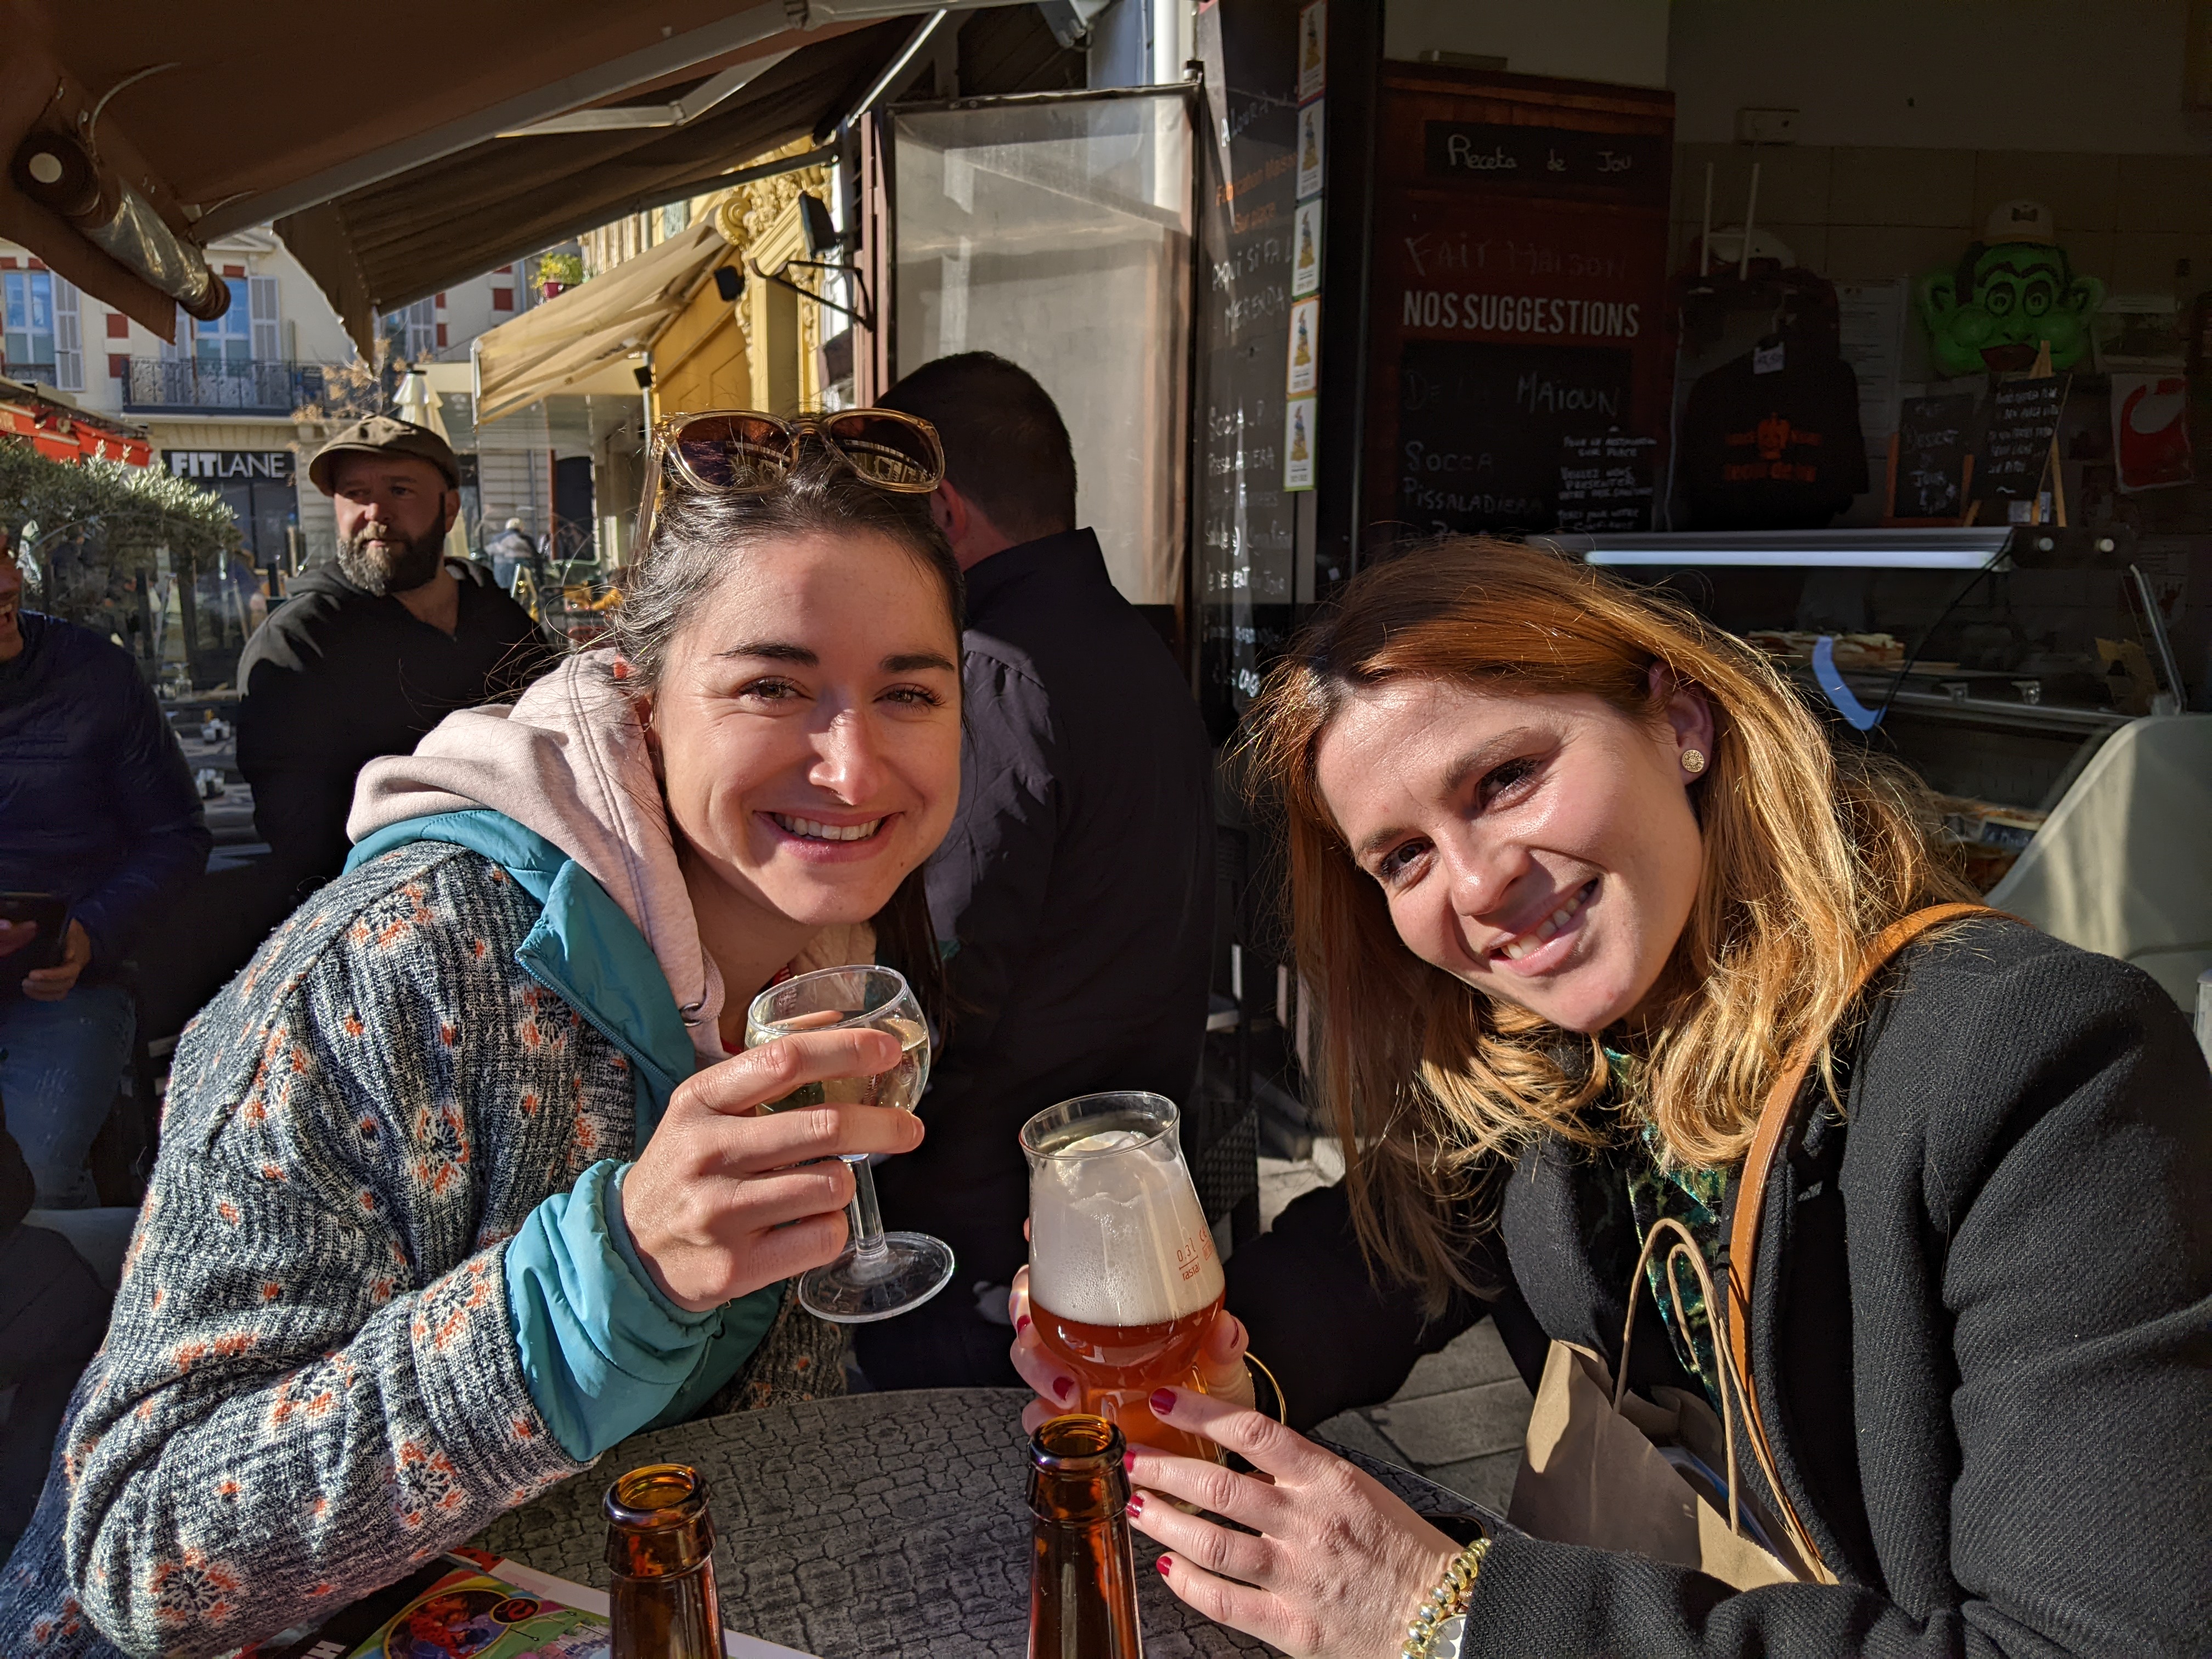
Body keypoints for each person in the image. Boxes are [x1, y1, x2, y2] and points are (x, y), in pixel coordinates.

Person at [1010, 538, 2212, 1656]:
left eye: (1506, 777)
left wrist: (1445, 1614)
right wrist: (1210, 1374)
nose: (1475, 884)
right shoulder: (1555, 1048)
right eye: (1404, 856)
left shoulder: (2041, 1063)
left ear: (1679, 719)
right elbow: (1390, 1252)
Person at [0, 424, 968, 1657]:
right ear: (639, 698)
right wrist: (610, 1281)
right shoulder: (400, 961)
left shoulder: (830, 968)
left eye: (908, 693)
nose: (853, 765)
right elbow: (147, 1552)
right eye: (773, 687)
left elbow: (738, 1436)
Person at [862, 352, 1215, 1390]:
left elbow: (946, 974)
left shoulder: (990, 665)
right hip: (1111, 1174)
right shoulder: (1132, 640)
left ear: (942, 510)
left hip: (989, 1226)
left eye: (883, 518)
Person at [236, 416, 556, 902]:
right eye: (356, 494)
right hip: (385, 907)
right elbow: (301, 837)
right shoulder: (298, 643)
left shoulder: (500, 616)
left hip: (540, 884)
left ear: (450, 509)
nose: (375, 512)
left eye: (399, 491)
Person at [0, 532, 210, 1207]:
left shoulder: (93, 674)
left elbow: (177, 838)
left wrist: (92, 932)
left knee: (24, 1194)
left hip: (71, 988)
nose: (7, 582)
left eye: (2, 554)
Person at [484, 516, 535, 592]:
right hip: (519, 579)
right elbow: (535, 558)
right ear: (521, 528)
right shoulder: (525, 539)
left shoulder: (496, 539)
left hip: (499, 576)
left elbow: (491, 559)